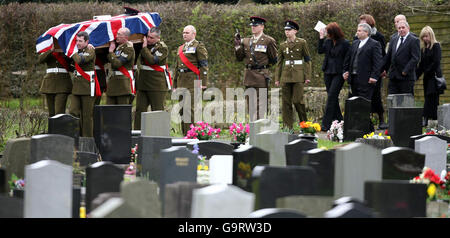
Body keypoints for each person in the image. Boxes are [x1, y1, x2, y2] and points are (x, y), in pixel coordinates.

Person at [235, 16, 278, 121]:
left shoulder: (268, 41)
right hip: (249, 75)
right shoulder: (246, 41)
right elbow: (239, 58)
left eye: (256, 25)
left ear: (262, 26)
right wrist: (237, 46)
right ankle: (253, 126)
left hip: (261, 76)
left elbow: (274, 59)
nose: (253, 27)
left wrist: (264, 67)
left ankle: (260, 127)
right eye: (252, 26)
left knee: (261, 104)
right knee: (250, 104)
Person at [275, 20, 312, 129]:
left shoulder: (302, 43)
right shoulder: (282, 45)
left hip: (298, 76)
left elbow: (307, 60)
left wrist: (307, 76)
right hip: (285, 76)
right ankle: (287, 127)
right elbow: (279, 63)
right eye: (286, 30)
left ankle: (304, 125)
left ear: (295, 31)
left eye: (289, 30)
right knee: (286, 103)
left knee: (298, 101)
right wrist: (277, 78)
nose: (287, 32)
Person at [173, 25, 208, 136]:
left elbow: (204, 65)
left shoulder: (199, 46)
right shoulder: (180, 48)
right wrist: (174, 84)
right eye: (183, 32)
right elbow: (176, 68)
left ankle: (191, 135)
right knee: (182, 110)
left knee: (190, 109)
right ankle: (185, 135)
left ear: (194, 34)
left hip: (194, 81)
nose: (184, 34)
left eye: (187, 33)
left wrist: (203, 83)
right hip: (181, 81)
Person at [134, 27, 170, 130]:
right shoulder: (144, 45)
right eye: (147, 36)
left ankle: (158, 135)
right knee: (139, 110)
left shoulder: (162, 48)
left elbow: (152, 60)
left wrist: (144, 48)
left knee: (157, 111)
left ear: (158, 38)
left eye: (151, 38)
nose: (148, 39)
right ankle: (137, 134)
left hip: (156, 84)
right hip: (143, 83)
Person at [357, 14, 388, 129]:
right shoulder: (358, 37)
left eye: (363, 23)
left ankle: (381, 119)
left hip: (375, 71)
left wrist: (383, 68)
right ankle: (367, 121)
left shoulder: (378, 36)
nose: (361, 25)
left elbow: (383, 55)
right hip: (362, 72)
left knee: (376, 96)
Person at [318, 22, 350, 131]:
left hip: (339, 73)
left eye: (329, 33)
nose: (328, 35)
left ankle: (325, 124)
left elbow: (347, 58)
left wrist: (346, 71)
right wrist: (321, 38)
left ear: (334, 32)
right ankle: (340, 120)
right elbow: (320, 51)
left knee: (331, 96)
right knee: (332, 97)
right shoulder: (328, 42)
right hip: (328, 72)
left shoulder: (345, 43)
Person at [343, 23, 383, 101]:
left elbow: (377, 62)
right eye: (357, 31)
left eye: (359, 31)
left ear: (366, 32)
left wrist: (374, 76)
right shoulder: (355, 43)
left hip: (366, 78)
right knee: (353, 100)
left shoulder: (374, 44)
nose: (357, 32)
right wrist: (345, 71)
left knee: (364, 101)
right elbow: (348, 59)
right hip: (353, 78)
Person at [69, 31, 98, 137]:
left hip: (87, 86)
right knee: (72, 111)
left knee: (87, 116)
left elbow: (80, 60)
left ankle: (87, 141)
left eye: (80, 41)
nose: (78, 43)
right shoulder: (77, 51)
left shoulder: (90, 50)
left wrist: (72, 51)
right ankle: (74, 137)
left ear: (87, 42)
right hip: (77, 87)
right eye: (76, 40)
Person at [383, 21, 420, 95]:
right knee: (392, 99)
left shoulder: (414, 40)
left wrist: (405, 71)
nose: (401, 30)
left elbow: (415, 58)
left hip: (406, 77)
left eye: (403, 27)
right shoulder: (394, 39)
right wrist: (383, 69)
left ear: (408, 28)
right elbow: (388, 56)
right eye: (399, 28)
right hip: (393, 77)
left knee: (405, 102)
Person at [416, 26, 442, 127]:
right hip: (427, 78)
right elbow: (421, 64)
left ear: (431, 35)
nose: (425, 39)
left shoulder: (436, 46)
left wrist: (427, 71)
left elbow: (436, 62)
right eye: (423, 37)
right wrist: (416, 75)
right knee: (429, 97)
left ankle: (426, 118)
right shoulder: (424, 49)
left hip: (434, 77)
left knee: (431, 98)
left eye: (426, 36)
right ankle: (434, 118)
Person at [38, 44, 73, 117]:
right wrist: (51, 50)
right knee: (51, 113)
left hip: (63, 83)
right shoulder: (47, 48)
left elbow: (72, 62)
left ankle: (59, 128)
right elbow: (40, 60)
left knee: (59, 112)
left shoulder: (67, 47)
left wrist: (63, 51)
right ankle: (52, 128)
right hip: (49, 84)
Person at [106, 27, 136, 105]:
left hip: (123, 84)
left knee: (122, 111)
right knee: (109, 110)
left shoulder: (128, 48)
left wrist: (111, 52)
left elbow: (117, 63)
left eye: (119, 34)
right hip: (113, 83)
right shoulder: (118, 48)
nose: (116, 36)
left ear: (126, 37)